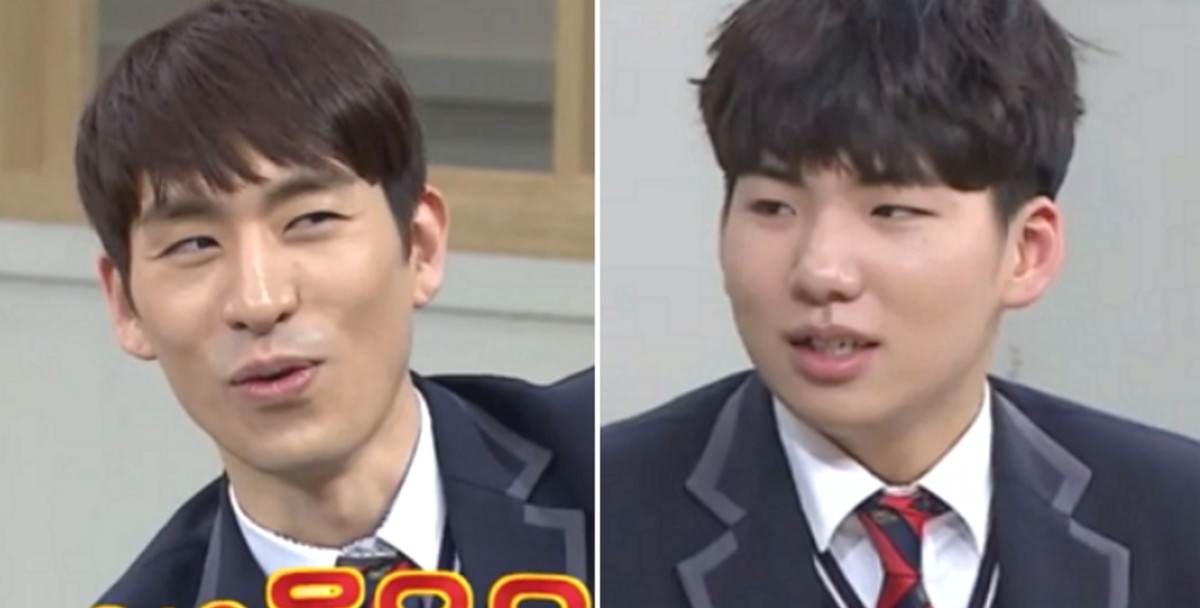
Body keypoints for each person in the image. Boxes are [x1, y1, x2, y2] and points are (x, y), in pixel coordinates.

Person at [601, 0, 1200, 606]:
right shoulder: (594, 515)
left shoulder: (1177, 519)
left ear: (1027, 251)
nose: (821, 272)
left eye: (892, 211)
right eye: (773, 207)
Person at [75, 1, 593, 607]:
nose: (260, 301)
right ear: (126, 307)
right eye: (194, 244)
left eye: (310, 219)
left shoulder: (620, 475)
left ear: (421, 246)